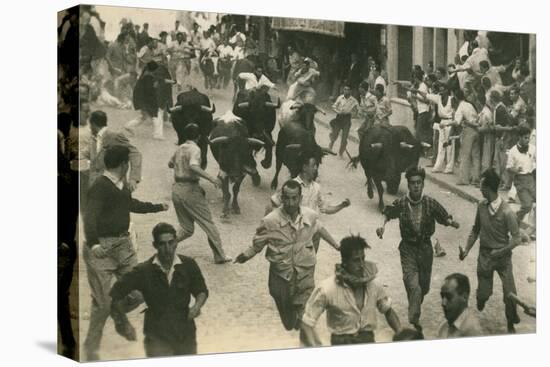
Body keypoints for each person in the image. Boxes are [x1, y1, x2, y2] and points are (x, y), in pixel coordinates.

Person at [83, 146, 168, 360]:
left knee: (139, 292)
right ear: (124, 164)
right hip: (102, 249)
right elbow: (90, 217)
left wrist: (157, 207)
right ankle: (91, 348)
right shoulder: (100, 187)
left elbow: (131, 205)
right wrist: (93, 244)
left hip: (124, 247)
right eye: (128, 163)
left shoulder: (122, 186)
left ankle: (117, 311)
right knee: (101, 305)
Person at [234, 179, 340, 344]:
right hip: (281, 276)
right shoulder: (270, 220)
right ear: (282, 198)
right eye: (287, 198)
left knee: (306, 315)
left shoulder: (310, 215)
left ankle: (310, 348)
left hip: (305, 272)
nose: (291, 203)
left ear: (300, 198)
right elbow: (258, 242)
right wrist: (246, 255)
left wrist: (337, 245)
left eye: (294, 198)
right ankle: (293, 320)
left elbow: (319, 228)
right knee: (288, 321)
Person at [376, 167, 460, 334]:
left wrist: (451, 222)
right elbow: (388, 213)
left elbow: (444, 216)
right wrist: (381, 226)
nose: (416, 186)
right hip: (407, 248)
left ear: (423, 185)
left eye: (419, 183)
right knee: (413, 285)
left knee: (423, 287)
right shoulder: (401, 203)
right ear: (408, 185)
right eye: (412, 183)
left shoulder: (430, 202)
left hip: (426, 249)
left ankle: (415, 301)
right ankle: (414, 318)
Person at [110, 222, 208, 357]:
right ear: (155, 245)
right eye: (162, 244)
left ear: (176, 243)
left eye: (171, 243)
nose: (168, 248)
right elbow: (115, 294)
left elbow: (201, 290)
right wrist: (123, 323)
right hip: (157, 335)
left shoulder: (188, 264)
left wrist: (197, 306)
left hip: (185, 332)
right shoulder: (143, 271)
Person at [301, 235, 402, 346]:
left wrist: (401, 333)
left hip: (368, 342)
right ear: (345, 262)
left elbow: (388, 310)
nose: (362, 265)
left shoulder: (374, 285)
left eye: (363, 258)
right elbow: (307, 323)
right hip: (341, 344)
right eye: (356, 260)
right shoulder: (327, 288)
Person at [460, 168, 522, 333]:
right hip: (485, 256)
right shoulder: (481, 206)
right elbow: (475, 229)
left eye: (481, 185)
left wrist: (501, 252)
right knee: (483, 295)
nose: (479, 188)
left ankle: (511, 322)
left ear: (488, 188)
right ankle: (482, 298)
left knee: (510, 293)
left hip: (503, 258)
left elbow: (517, 239)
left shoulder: (508, 212)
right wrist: (466, 249)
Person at [169, 124, 232, 264]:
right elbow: (193, 166)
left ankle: (167, 245)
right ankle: (220, 255)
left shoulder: (180, 148)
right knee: (208, 224)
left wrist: (181, 166)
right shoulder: (195, 149)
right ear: (198, 137)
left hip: (176, 189)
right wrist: (211, 178)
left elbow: (170, 164)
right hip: (190, 189)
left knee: (186, 228)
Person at [269, 150, 351, 252]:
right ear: (304, 167)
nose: (316, 168)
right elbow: (274, 203)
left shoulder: (317, 187)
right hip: (294, 235)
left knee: (309, 264)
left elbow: (326, 209)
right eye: (314, 165)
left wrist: (341, 206)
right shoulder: (291, 185)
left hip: (312, 237)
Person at [87, 110, 142, 192]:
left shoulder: (114, 135)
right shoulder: (93, 138)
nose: (89, 127)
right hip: (96, 182)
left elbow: (135, 153)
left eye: (90, 125)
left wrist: (133, 178)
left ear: (93, 124)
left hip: (113, 183)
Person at [126, 61, 166, 140]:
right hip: (146, 101)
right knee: (157, 115)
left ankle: (129, 125)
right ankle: (158, 134)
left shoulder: (144, 76)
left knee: (144, 117)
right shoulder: (148, 78)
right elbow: (150, 93)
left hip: (140, 100)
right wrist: (155, 102)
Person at [507, 124, 536, 225]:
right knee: (527, 205)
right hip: (520, 180)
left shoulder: (533, 148)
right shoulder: (512, 151)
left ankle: (534, 228)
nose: (528, 140)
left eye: (529, 137)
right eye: (525, 138)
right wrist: (515, 170)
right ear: (519, 137)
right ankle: (514, 220)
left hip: (531, 179)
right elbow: (508, 168)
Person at [438, 273, 483, 338]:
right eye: (442, 296)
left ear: (464, 297)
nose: (443, 303)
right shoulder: (444, 327)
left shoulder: (472, 330)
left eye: (449, 296)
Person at [453, 89, 481, 186]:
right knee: (476, 156)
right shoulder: (470, 105)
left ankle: (464, 179)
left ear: (456, 97)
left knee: (465, 155)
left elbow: (457, 122)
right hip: (477, 130)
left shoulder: (460, 106)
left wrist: (446, 123)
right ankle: (476, 178)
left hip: (468, 130)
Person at [329, 85, 359, 157]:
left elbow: (358, 110)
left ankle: (341, 152)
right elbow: (334, 106)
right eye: (345, 89)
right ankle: (330, 146)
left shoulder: (354, 100)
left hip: (347, 119)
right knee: (335, 133)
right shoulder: (340, 97)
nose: (346, 91)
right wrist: (338, 111)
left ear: (351, 91)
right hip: (339, 118)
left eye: (348, 90)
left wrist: (352, 114)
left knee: (344, 137)